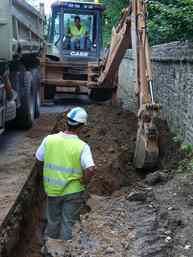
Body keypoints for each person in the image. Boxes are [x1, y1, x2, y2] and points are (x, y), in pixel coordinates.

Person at [35, 107, 95, 246]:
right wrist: (84, 181)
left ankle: (50, 249)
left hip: (52, 190)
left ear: (66, 122)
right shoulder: (82, 146)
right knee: (68, 222)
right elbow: (91, 169)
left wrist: (42, 177)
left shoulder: (49, 140)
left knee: (53, 220)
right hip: (73, 191)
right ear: (82, 126)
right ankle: (66, 250)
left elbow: (38, 159)